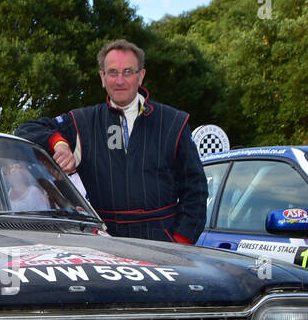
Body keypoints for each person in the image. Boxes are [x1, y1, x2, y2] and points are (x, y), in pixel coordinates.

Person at [14, 39, 206, 243]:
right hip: (105, 246)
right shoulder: (83, 121)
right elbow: (26, 129)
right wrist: (59, 143)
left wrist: (179, 241)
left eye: (127, 72)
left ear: (141, 76)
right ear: (102, 77)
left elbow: (196, 190)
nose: (120, 80)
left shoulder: (174, 122)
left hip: (162, 245)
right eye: (113, 73)